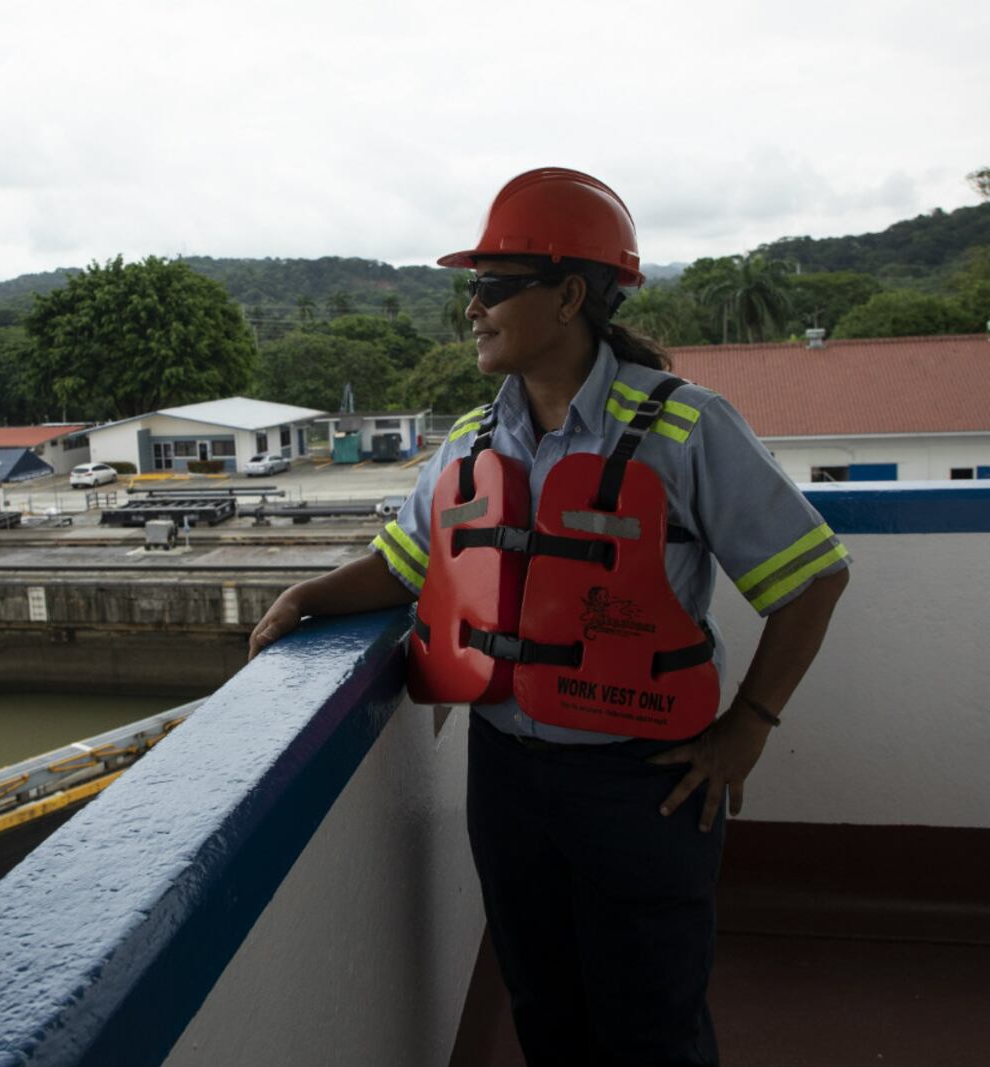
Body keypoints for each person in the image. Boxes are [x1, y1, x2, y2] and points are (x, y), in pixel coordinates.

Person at [249, 167, 851, 1066]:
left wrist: (749, 727)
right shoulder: (470, 443)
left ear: (570, 295)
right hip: (509, 779)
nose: (473, 308)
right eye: (472, 289)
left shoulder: (685, 429)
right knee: (546, 1007)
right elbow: (402, 568)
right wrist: (307, 597)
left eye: (493, 286)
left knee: (653, 1023)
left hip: (642, 781)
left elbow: (812, 577)